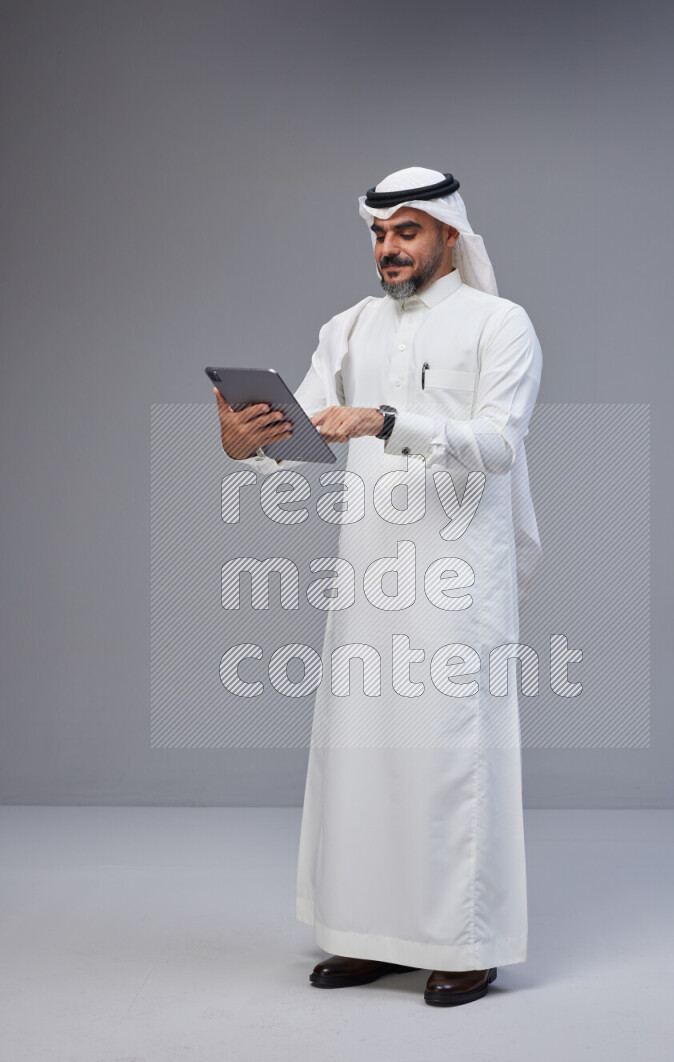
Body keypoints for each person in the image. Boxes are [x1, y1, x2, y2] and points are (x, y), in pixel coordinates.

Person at [214, 167, 543, 1007]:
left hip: (459, 579)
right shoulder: (350, 328)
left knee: (449, 759)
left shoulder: (499, 325)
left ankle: (465, 942)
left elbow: (499, 443)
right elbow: (301, 429)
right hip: (368, 575)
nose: (387, 248)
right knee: (363, 754)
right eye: (378, 233)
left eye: (405, 230)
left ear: (448, 236)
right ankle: (368, 935)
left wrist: (389, 420)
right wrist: (241, 437)